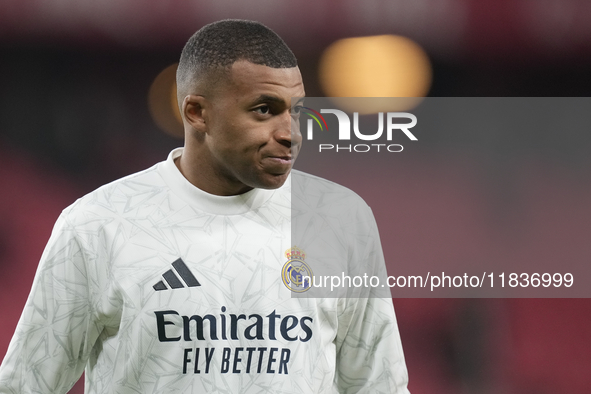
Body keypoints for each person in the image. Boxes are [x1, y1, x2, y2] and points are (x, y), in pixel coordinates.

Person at [0, 20, 410, 393]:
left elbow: (379, 386)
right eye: (264, 110)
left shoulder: (339, 219)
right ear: (197, 112)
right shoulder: (98, 225)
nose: (290, 134)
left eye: (296, 111)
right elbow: (27, 385)